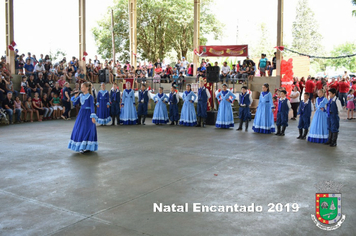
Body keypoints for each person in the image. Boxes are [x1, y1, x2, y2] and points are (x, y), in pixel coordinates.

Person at [68, 82, 98, 153]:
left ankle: (87, 146)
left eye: (82, 87)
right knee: (79, 129)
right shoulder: (80, 96)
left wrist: (93, 117)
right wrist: (75, 96)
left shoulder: (90, 97)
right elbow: (75, 103)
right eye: (81, 87)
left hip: (88, 114)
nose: (81, 89)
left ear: (87, 88)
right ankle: (81, 145)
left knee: (88, 129)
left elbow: (92, 107)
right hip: (81, 114)